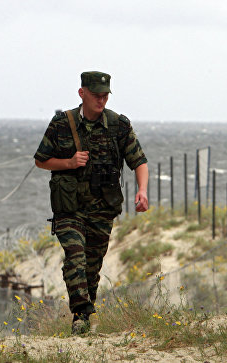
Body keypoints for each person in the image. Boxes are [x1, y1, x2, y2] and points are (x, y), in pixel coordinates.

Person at [34, 71, 149, 334]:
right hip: (69, 208)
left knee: (92, 266)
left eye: (105, 95)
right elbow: (41, 160)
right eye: (96, 95)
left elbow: (139, 161)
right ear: (82, 93)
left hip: (101, 209)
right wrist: (69, 163)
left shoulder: (118, 125)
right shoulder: (62, 123)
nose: (101, 100)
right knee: (75, 255)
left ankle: (83, 320)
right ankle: (81, 314)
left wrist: (142, 191)